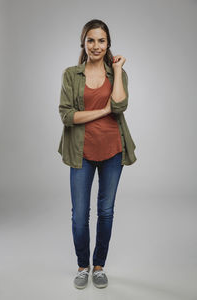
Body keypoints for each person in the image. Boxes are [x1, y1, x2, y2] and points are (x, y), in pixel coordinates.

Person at [58, 19, 137, 289]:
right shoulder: (71, 74)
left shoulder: (117, 74)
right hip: (81, 151)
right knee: (80, 214)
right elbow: (67, 116)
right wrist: (103, 111)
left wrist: (116, 68)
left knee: (106, 211)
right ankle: (83, 266)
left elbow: (120, 105)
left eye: (101, 40)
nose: (96, 46)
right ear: (84, 42)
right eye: (91, 40)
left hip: (113, 150)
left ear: (108, 43)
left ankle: (99, 265)